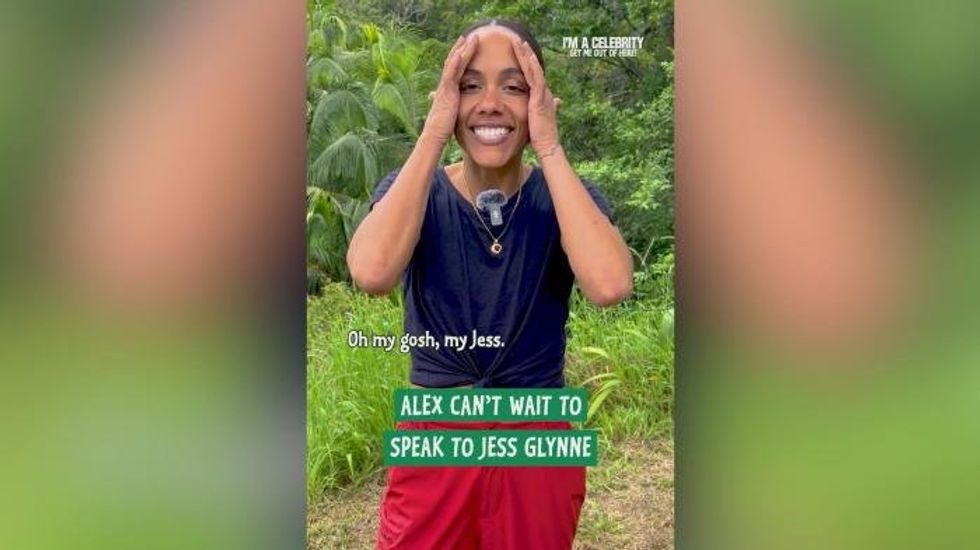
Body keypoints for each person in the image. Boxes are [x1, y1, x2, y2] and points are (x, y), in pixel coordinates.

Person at [346, 18, 633, 550]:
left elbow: (610, 285)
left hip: (538, 428)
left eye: (515, 87)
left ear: (541, 101)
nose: (491, 103)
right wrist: (433, 133)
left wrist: (550, 147)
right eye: (469, 85)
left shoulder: (565, 197)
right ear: (446, 98)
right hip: (436, 428)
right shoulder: (416, 192)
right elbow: (371, 272)